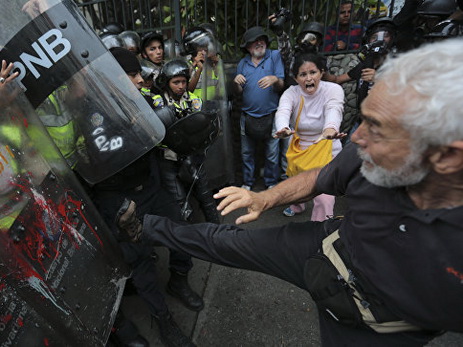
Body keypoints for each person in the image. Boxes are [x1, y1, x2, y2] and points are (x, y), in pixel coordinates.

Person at [115, 38, 463, 346]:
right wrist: (265, 198)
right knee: (225, 240)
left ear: (447, 155)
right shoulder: (365, 152)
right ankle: (147, 227)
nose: (356, 138)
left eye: (375, 128)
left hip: (374, 329)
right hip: (327, 250)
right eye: (364, 120)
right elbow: (319, 178)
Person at [92, 48, 203, 347]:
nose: (141, 79)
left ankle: (179, 279)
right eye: (133, 75)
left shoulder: (142, 101)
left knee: (182, 233)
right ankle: (163, 318)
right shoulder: (88, 110)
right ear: (111, 78)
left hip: (152, 185)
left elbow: (164, 133)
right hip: (120, 197)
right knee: (140, 260)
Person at [273, 53, 345, 220]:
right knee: (297, 185)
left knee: (324, 196)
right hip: (300, 149)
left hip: (326, 146)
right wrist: (283, 127)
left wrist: (330, 129)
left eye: (313, 72)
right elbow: (283, 110)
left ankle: (320, 230)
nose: (308, 78)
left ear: (321, 72)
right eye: (302, 74)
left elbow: (334, 109)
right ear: (296, 78)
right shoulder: (291, 93)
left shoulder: (333, 90)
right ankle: (297, 205)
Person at [152, 59, 220, 224]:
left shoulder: (194, 100)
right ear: (167, 83)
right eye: (176, 82)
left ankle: (218, 234)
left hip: (194, 157)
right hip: (169, 159)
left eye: (183, 81)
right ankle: (189, 241)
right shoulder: (157, 102)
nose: (181, 86)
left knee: (206, 198)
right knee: (181, 204)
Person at [326, 17, 397, 138]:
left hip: (382, 122)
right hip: (362, 120)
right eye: (375, 37)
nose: (380, 40)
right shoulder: (366, 63)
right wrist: (318, 72)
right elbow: (338, 79)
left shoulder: (395, 65)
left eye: (385, 36)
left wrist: (377, 79)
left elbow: (400, 92)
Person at [234, 26, 284, 190]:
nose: (259, 43)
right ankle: (248, 182)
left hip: (271, 114)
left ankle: (271, 182)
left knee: (272, 153)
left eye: (262, 39)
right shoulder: (243, 63)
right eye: (254, 41)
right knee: (246, 153)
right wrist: (237, 82)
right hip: (247, 116)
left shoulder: (274, 56)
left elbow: (282, 84)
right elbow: (238, 92)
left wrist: (274, 79)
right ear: (248, 47)